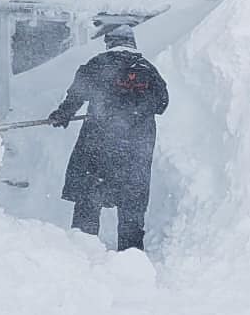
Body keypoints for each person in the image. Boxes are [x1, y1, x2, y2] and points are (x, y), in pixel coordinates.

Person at [48, 23, 169, 251]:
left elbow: (76, 94)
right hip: (135, 151)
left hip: (98, 147)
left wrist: (62, 115)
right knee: (131, 205)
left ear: (109, 42)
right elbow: (162, 103)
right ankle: (131, 255)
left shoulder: (98, 65)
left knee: (88, 200)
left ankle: (83, 250)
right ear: (132, 43)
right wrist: (135, 107)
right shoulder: (148, 70)